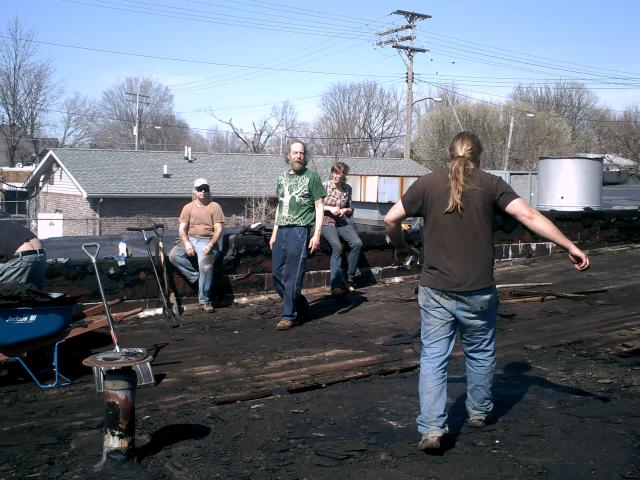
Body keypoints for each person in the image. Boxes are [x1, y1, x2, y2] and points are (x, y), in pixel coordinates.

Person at [384, 131, 590, 450]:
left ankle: (433, 430)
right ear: (478, 156)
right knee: (479, 352)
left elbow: (390, 219)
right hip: (478, 290)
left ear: (448, 154)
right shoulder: (492, 184)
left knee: (434, 358)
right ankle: (478, 412)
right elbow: (528, 215)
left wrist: (400, 246)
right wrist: (569, 245)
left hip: (435, 289)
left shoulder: (426, 184)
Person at [269, 139, 326, 331]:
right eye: (295, 153)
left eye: (301, 153)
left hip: (300, 230)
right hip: (282, 229)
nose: (298, 156)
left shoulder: (312, 178)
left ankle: (288, 315)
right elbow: (280, 205)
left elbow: (319, 206)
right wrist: (274, 232)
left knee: (293, 274)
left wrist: (316, 234)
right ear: (288, 155)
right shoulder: (282, 178)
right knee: (277, 273)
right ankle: (301, 305)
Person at [169, 178, 225, 313]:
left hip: (207, 241)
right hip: (190, 238)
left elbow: (219, 229)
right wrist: (187, 243)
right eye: (200, 189)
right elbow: (182, 229)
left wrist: (212, 244)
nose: (203, 192)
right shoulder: (188, 207)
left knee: (206, 266)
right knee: (173, 256)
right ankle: (196, 278)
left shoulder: (214, 206)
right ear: (195, 191)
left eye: (206, 189)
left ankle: (204, 301)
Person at [321, 162, 363, 295]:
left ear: (344, 175)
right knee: (337, 247)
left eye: (339, 173)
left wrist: (345, 210)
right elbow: (314, 206)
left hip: (341, 221)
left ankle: (348, 279)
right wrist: (330, 208)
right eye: (334, 172)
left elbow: (351, 209)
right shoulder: (325, 186)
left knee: (357, 243)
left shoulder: (347, 188)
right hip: (326, 221)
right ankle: (336, 285)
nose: (336, 175)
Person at [0, 211, 47, 289]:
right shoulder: (15, 226)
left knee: (9, 292)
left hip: (22, 258)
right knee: (35, 294)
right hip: (41, 256)